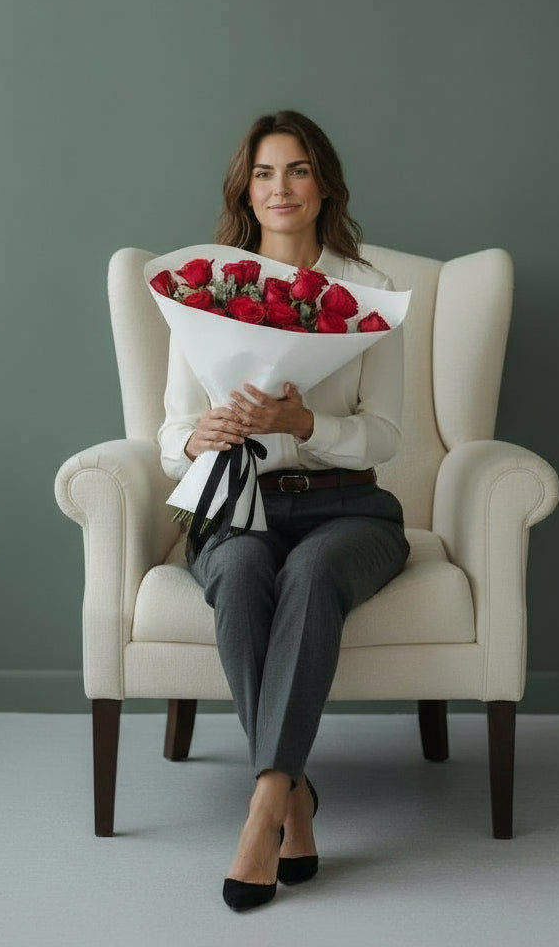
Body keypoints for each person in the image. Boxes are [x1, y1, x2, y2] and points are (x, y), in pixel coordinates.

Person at [158, 110, 410, 911]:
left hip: (350, 508)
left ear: (324, 183)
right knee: (235, 568)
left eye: (297, 170)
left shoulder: (368, 293)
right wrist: (203, 434)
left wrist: (304, 424)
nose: (281, 188)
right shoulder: (203, 292)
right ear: (246, 187)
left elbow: (387, 433)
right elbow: (166, 434)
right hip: (238, 504)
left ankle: (265, 805)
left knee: (310, 571)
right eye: (265, 173)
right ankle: (293, 798)